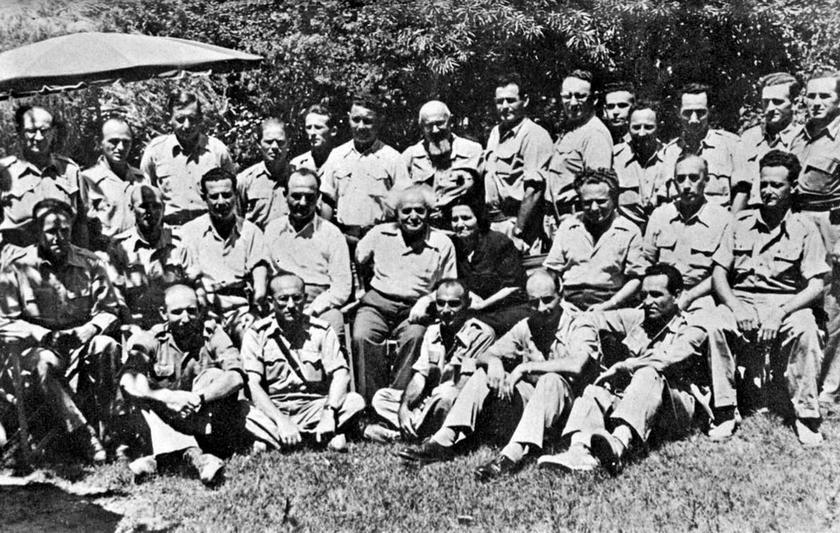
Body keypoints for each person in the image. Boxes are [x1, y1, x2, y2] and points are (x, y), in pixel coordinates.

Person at [398, 269, 599, 481]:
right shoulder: (527, 325)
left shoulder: (579, 323)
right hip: (536, 404)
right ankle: (442, 441)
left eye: (547, 300)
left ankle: (510, 456)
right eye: (533, 302)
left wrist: (525, 368)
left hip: (570, 408)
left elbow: (577, 365)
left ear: (561, 295)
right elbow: (486, 354)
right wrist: (493, 362)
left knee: (551, 380)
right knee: (482, 374)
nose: (540, 308)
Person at [537, 264, 711, 475]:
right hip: (642, 406)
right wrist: (587, 346)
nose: (648, 302)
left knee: (648, 372)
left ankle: (618, 444)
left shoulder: (694, 324)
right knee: (596, 389)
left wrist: (623, 366)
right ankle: (578, 450)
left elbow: (665, 359)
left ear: (677, 296)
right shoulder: (640, 318)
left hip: (677, 410)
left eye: (656, 295)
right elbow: (590, 318)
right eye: (644, 295)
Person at [712, 150, 828, 446]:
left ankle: (806, 417)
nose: (767, 191)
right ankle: (725, 411)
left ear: (793, 188)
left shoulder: (805, 228)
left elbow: (816, 285)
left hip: (786, 303)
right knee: (716, 323)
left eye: (776, 185)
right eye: (763, 184)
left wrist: (780, 313)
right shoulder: (739, 222)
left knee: (805, 328)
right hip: (743, 300)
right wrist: (736, 307)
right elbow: (719, 275)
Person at [0, 199, 122, 462]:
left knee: (107, 346)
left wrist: (90, 329)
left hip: (80, 341)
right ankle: (85, 435)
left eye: (65, 230)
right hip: (40, 347)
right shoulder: (17, 267)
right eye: (51, 231)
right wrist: (43, 335)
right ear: (37, 232)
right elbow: (4, 320)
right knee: (43, 362)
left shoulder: (90, 263)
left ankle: (111, 432)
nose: (59, 237)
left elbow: (110, 309)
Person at [120, 284, 276, 485]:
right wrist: (169, 397)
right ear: (163, 313)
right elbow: (128, 379)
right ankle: (198, 459)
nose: (185, 318)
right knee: (144, 398)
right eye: (177, 312)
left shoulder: (212, 333)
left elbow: (236, 376)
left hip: (206, 416)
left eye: (191, 311)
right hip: (168, 418)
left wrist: (198, 398)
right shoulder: (152, 338)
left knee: (214, 375)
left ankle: (164, 460)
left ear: (200, 311)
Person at [642, 155, 738, 439]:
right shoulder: (660, 216)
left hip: (701, 296)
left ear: (706, 181)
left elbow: (720, 272)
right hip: (662, 296)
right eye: (680, 179)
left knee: (710, 328)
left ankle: (724, 409)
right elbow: (647, 264)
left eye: (693, 178)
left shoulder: (722, 218)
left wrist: (687, 297)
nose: (686, 185)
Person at [352, 185, 457, 402]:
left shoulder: (442, 243)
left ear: (429, 212)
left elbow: (447, 285)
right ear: (396, 213)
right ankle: (370, 404)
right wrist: (360, 287)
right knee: (361, 335)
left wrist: (427, 300)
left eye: (420, 210)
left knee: (416, 338)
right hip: (377, 303)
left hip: (414, 308)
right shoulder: (379, 234)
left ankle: (396, 401)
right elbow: (358, 258)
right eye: (406, 211)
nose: (413, 216)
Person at [242, 274, 365, 452]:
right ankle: (316, 438)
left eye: (297, 298)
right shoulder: (256, 334)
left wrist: (328, 413)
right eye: (283, 299)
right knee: (242, 410)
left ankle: (275, 440)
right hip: (274, 408)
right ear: (270, 302)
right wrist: (281, 421)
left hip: (313, 408)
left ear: (305, 299)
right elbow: (253, 385)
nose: (291, 305)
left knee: (354, 401)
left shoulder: (321, 331)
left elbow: (341, 374)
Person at [366, 279, 495, 442]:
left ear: (467, 303)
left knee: (445, 396)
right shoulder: (433, 331)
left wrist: (428, 403)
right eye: (441, 303)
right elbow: (420, 376)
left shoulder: (481, 334)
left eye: (454, 304)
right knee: (381, 397)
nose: (446, 310)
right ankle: (419, 428)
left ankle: (400, 435)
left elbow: (462, 386)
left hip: (456, 402)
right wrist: (404, 408)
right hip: (430, 400)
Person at [788, 70, 840, 407]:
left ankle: (830, 389)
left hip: (831, 225)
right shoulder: (799, 136)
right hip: (798, 223)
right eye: (812, 96)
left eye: (825, 96)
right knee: (802, 298)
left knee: (832, 308)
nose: (817, 102)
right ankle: (801, 379)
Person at [179, 168, 269, 343]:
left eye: (227, 195)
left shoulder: (250, 232)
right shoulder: (190, 232)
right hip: (204, 310)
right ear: (204, 198)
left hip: (241, 309)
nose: (221, 202)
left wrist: (254, 311)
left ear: (235, 195)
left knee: (252, 338)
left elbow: (260, 279)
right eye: (214, 196)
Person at [543, 167, 649, 310]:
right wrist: (561, 303)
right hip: (569, 304)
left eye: (601, 201)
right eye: (587, 202)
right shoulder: (567, 227)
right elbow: (552, 272)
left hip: (611, 304)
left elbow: (636, 279)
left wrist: (609, 304)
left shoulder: (629, 231)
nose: (594, 208)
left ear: (614, 199)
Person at [263, 168, 351, 337]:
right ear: (285, 195)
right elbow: (266, 275)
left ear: (318, 197)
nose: (302, 203)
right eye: (296, 196)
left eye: (309, 197)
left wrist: (314, 309)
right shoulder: (273, 230)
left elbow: (342, 286)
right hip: (281, 303)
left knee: (333, 324)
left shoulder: (331, 234)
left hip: (319, 304)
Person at [140, 91, 236, 229]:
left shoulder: (217, 151)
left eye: (192, 119)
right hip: (171, 232)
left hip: (210, 230)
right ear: (169, 118)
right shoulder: (155, 151)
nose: (187, 125)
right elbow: (145, 196)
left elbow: (232, 195)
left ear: (201, 118)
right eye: (180, 119)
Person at [482, 72, 553, 253]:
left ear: (525, 100)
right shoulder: (495, 133)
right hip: (495, 223)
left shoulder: (534, 135)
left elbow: (534, 189)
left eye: (511, 100)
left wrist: (518, 230)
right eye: (500, 101)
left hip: (520, 225)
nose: (505, 106)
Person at [319, 96, 408, 240]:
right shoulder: (337, 155)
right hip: (344, 237)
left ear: (379, 122)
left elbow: (404, 204)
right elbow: (327, 202)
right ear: (349, 119)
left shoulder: (393, 158)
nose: (360, 127)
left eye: (367, 121)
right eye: (356, 120)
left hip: (381, 237)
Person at [0, 105, 88, 247]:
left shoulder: (70, 170)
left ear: (53, 132)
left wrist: (82, 256)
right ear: (19, 132)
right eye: (31, 131)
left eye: (44, 130)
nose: (39, 137)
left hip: (62, 255)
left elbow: (81, 224)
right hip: (20, 257)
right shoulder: (5, 172)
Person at [108, 185, 191, 330]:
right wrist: (132, 327)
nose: (151, 211)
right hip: (138, 325)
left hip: (177, 324)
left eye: (156, 206)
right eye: (144, 206)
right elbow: (117, 296)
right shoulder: (119, 248)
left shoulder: (179, 243)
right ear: (131, 209)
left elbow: (194, 284)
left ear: (164, 208)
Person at [447, 198, 530, 335]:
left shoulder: (498, 242)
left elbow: (513, 286)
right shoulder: (453, 246)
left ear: (479, 220)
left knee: (473, 326)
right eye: (455, 219)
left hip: (506, 308)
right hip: (473, 310)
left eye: (466, 218)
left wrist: (482, 305)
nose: (460, 224)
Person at [660, 83, 748, 212]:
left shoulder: (731, 145)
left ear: (710, 111)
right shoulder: (669, 152)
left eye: (700, 112)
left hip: (720, 221)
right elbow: (663, 199)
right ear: (678, 112)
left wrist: (731, 222)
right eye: (687, 113)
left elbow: (742, 192)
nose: (694, 120)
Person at [543, 69, 614, 219]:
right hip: (556, 216)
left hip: (577, 217)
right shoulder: (570, 128)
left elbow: (596, 189)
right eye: (567, 96)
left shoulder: (595, 134)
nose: (573, 103)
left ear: (594, 99)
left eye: (580, 96)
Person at [401, 100, 482, 227]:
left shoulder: (472, 151)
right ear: (421, 127)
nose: (435, 130)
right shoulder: (410, 156)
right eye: (429, 125)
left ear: (451, 121)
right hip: (424, 228)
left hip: (461, 226)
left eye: (440, 123)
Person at [740, 73, 802, 205]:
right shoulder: (749, 138)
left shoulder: (803, 139)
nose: (770, 108)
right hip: (753, 213)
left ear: (794, 103)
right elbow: (741, 189)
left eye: (777, 102)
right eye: (766, 102)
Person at [83, 117, 144, 244]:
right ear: (99, 142)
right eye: (114, 141)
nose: (120, 147)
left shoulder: (142, 179)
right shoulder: (87, 179)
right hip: (105, 251)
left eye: (126, 142)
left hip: (139, 250)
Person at [612, 100, 668, 229]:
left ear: (659, 127)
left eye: (648, 127)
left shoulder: (669, 157)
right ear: (628, 127)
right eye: (636, 127)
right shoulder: (615, 158)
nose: (641, 133)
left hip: (662, 231)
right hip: (627, 232)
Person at [236, 118, 292, 230]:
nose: (275, 147)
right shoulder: (245, 180)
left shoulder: (298, 178)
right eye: (269, 142)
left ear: (288, 144)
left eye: (280, 142)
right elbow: (237, 221)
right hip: (257, 240)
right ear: (259, 144)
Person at [290, 104, 337, 173]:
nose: (312, 133)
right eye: (308, 127)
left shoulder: (342, 161)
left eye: (318, 127)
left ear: (333, 131)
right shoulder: (297, 165)